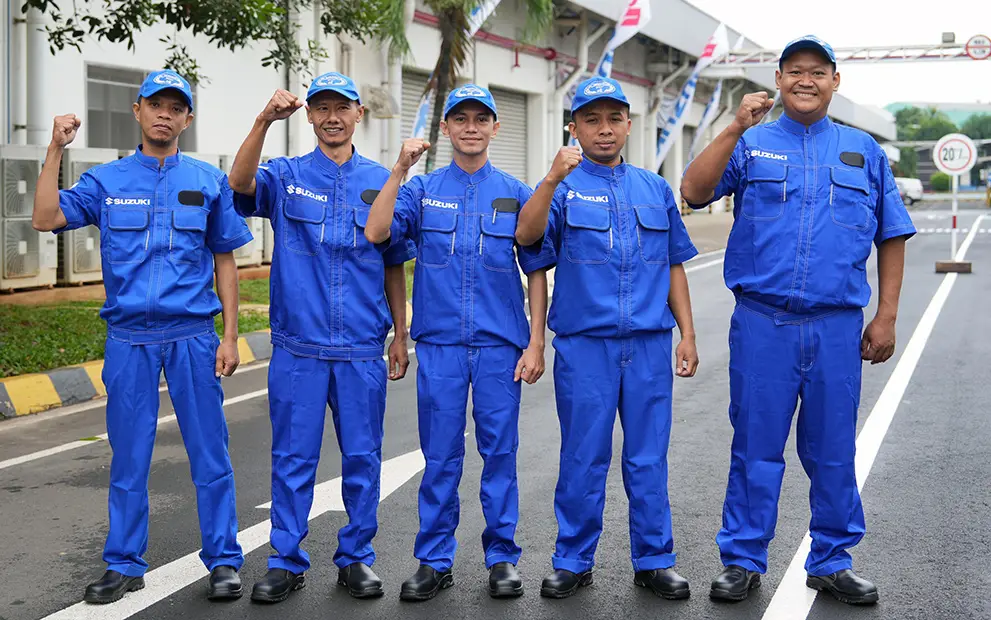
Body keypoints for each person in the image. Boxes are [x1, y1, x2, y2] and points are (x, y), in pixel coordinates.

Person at [680, 35, 916, 605]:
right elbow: (694, 190)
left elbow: (891, 233)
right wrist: (734, 127)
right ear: (779, 80)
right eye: (794, 71)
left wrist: (885, 315)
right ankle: (742, 559)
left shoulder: (863, 150)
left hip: (836, 326)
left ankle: (832, 560)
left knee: (833, 450)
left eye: (817, 71)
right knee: (755, 447)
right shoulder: (752, 143)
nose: (805, 80)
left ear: (835, 81)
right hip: (763, 324)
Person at [31, 70, 250, 604]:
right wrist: (55, 149)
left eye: (176, 108)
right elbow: (44, 217)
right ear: (138, 110)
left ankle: (223, 559)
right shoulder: (107, 181)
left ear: (187, 119)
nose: (164, 115)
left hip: (193, 335)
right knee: (129, 456)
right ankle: (124, 563)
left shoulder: (208, 180)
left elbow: (225, 260)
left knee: (210, 453)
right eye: (156, 105)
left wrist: (230, 335)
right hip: (129, 338)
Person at [227, 72, 414, 603]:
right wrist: (263, 120)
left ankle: (356, 558)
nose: (332, 117)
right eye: (322, 108)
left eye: (342, 107)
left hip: (361, 348)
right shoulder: (285, 175)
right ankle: (285, 561)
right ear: (309, 115)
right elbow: (240, 184)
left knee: (363, 457)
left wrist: (401, 334)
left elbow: (394, 264)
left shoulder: (383, 181)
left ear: (359, 114)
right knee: (292, 458)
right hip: (298, 347)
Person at [363, 84, 553, 601]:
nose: (471, 128)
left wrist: (536, 342)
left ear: (496, 128)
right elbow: (378, 234)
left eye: (481, 119)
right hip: (441, 346)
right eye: (461, 119)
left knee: (500, 454)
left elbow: (536, 268)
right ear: (445, 128)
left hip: (499, 347)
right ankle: (434, 559)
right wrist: (399, 170)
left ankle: (502, 558)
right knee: (441, 457)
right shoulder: (421, 191)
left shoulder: (516, 192)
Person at [514, 76, 699, 601]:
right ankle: (573, 560)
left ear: (629, 125)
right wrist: (551, 178)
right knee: (583, 456)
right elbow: (527, 238)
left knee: (648, 458)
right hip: (585, 347)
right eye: (591, 120)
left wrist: (687, 334)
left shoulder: (654, 188)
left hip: (648, 346)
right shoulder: (562, 188)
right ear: (573, 128)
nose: (604, 129)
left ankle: (655, 560)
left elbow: (673, 265)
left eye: (614, 119)